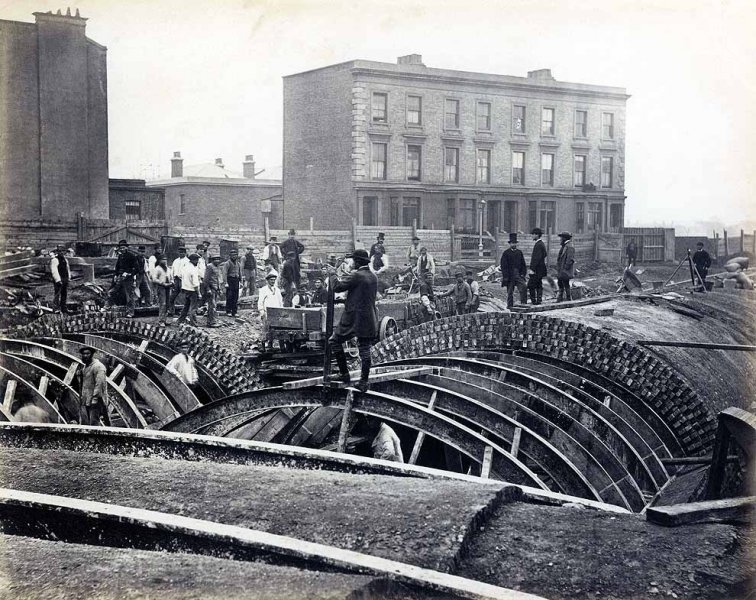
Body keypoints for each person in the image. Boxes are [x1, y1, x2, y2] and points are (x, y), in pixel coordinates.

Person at [324, 249, 378, 392]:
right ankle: (364, 382)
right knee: (365, 350)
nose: (352, 262)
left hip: (354, 318)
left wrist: (332, 273)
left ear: (358, 262)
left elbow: (337, 287)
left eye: (353, 260)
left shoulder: (357, 275)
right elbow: (360, 293)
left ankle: (344, 374)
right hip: (368, 318)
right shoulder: (373, 276)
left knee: (334, 341)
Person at [78, 346, 109, 426]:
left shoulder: (98, 366)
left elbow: (100, 383)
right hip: (88, 399)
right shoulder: (86, 367)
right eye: (83, 354)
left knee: (94, 422)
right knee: (89, 421)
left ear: (92, 354)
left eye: (87, 353)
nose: (85, 356)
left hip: (96, 401)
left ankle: (96, 438)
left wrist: (95, 398)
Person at [110, 239, 140, 317]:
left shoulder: (132, 256)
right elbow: (117, 267)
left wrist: (129, 274)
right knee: (112, 291)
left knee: (129, 295)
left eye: (123, 247)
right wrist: (116, 275)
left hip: (128, 279)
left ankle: (130, 312)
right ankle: (108, 306)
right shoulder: (120, 256)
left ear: (126, 248)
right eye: (121, 248)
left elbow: (137, 269)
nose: (122, 249)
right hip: (120, 277)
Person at [500, 233, 527, 309]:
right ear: (510, 244)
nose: (513, 244)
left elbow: (523, 264)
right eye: (512, 243)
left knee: (524, 287)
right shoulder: (506, 253)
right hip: (509, 275)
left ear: (516, 243)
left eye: (514, 243)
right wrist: (505, 276)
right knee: (510, 292)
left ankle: (523, 304)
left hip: (518, 274)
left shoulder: (519, 252)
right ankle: (510, 306)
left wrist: (523, 274)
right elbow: (503, 266)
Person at [258, 270, 283, 351]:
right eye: (271, 280)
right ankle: (262, 345)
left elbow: (280, 302)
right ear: (267, 280)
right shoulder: (263, 290)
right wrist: (261, 311)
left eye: (273, 280)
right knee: (265, 329)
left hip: (276, 313)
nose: (272, 281)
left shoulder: (277, 290)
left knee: (274, 330)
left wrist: (281, 311)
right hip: (267, 312)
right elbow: (260, 301)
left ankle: (270, 344)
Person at [176, 253, 201, 326]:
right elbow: (195, 284)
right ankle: (193, 323)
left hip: (186, 289)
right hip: (193, 290)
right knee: (193, 308)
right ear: (193, 260)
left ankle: (180, 321)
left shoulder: (185, 267)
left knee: (186, 306)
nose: (197, 262)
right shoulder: (193, 269)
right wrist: (199, 293)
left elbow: (179, 276)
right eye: (197, 260)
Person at [150, 254, 173, 325]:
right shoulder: (157, 268)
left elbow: (171, 277)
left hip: (168, 287)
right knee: (163, 304)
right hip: (161, 287)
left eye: (165, 259)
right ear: (159, 261)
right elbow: (154, 279)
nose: (165, 261)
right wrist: (162, 283)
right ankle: (161, 321)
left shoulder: (168, 268)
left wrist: (172, 282)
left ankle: (165, 319)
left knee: (167, 304)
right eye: (163, 260)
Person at [528, 227, 548, 305]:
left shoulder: (538, 245)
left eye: (533, 234)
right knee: (539, 284)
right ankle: (539, 300)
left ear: (537, 235)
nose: (532, 236)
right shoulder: (541, 244)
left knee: (530, 285)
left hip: (536, 270)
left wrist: (532, 269)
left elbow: (536, 258)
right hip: (541, 269)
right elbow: (545, 254)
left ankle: (534, 301)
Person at [168, 246, 189, 316]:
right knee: (172, 296)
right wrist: (172, 279)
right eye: (180, 252)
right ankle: (171, 311)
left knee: (184, 296)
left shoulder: (187, 261)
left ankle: (183, 311)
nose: (181, 254)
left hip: (183, 280)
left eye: (182, 252)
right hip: (176, 280)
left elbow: (187, 272)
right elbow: (172, 271)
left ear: (185, 253)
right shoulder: (176, 261)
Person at [222, 248, 243, 317]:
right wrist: (225, 282)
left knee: (235, 296)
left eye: (235, 255)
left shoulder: (238, 264)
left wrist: (241, 282)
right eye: (232, 255)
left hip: (236, 280)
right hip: (230, 280)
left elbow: (240, 273)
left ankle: (235, 311)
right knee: (229, 296)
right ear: (230, 256)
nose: (234, 256)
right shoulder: (227, 263)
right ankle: (228, 311)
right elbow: (224, 273)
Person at [556, 231, 576, 302]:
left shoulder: (569, 246)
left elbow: (570, 259)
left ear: (564, 238)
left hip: (565, 270)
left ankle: (568, 298)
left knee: (566, 283)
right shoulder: (564, 246)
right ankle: (560, 298)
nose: (560, 239)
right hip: (561, 269)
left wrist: (565, 268)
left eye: (561, 238)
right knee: (560, 283)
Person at [50, 245, 70, 314]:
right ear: (58, 252)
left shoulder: (65, 260)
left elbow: (67, 269)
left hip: (65, 279)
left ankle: (63, 307)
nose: (62, 253)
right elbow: (54, 271)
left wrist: (68, 277)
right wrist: (58, 280)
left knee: (64, 294)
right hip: (58, 280)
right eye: (60, 251)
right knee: (57, 294)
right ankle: (56, 308)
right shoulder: (55, 260)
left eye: (63, 251)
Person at [204, 255, 223, 327]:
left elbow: (218, 279)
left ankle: (212, 321)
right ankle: (211, 322)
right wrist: (208, 289)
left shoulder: (217, 267)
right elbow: (206, 280)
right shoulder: (209, 266)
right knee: (212, 306)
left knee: (214, 306)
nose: (217, 261)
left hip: (216, 288)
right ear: (212, 260)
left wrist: (220, 289)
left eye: (218, 259)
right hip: (211, 289)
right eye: (215, 259)